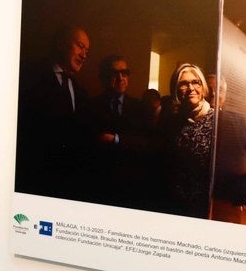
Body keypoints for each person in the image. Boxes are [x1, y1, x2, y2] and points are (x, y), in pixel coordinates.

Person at [14, 25, 93, 200]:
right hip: (34, 183)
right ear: (61, 44)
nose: (84, 55)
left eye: (87, 50)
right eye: (80, 46)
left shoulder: (82, 92)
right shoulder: (28, 76)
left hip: (70, 186)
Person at [86, 55, 150, 208]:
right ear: (103, 77)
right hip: (99, 186)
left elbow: (146, 142)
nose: (120, 78)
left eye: (125, 73)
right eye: (114, 73)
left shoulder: (140, 107)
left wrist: (116, 139)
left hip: (131, 186)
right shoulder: (91, 106)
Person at [161, 63, 217, 218]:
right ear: (176, 89)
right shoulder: (171, 121)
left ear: (203, 87)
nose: (191, 88)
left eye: (195, 82)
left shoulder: (218, 121)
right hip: (174, 205)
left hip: (205, 206)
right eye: (184, 84)